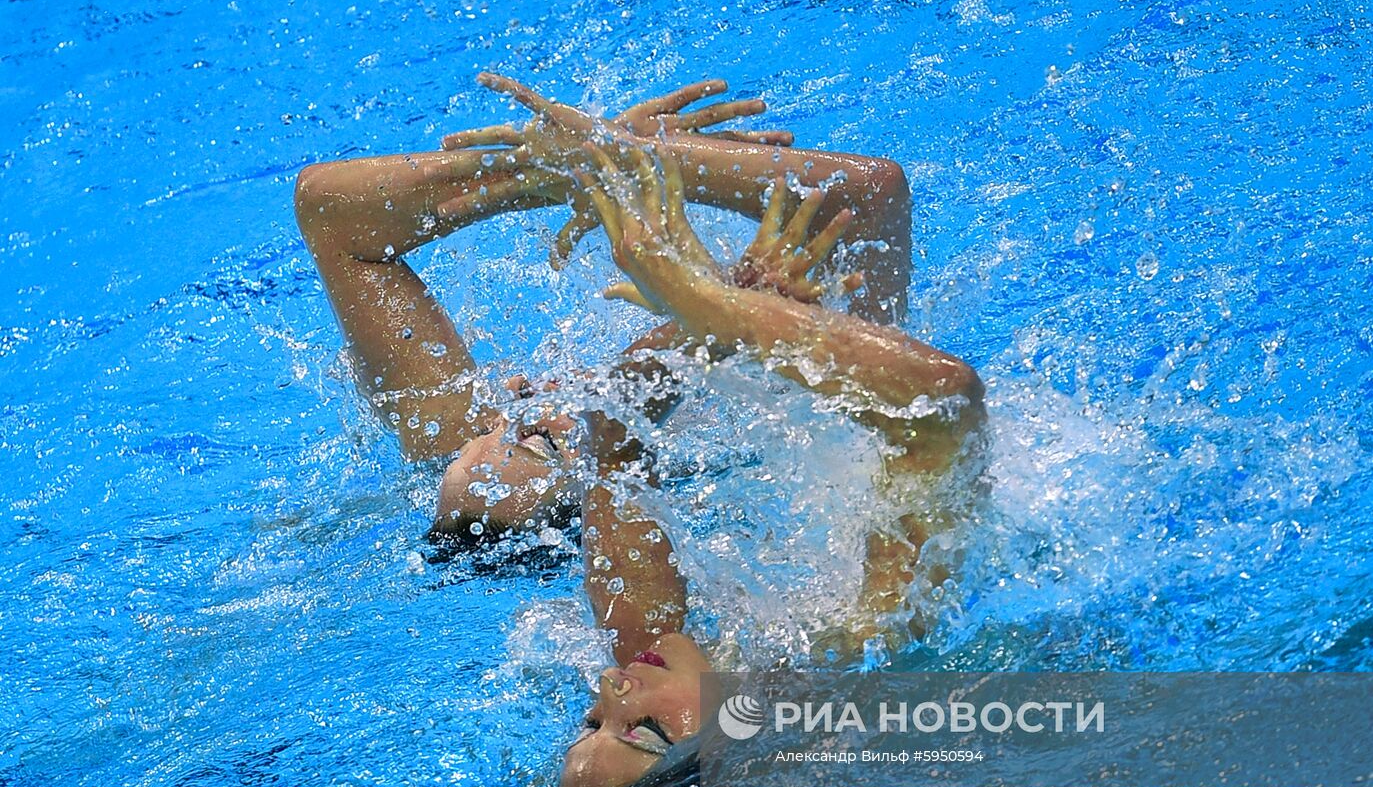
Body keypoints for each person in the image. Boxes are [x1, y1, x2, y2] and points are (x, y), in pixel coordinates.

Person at [459, 75, 986, 787]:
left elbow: (617, 435)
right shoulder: (862, 649)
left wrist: (715, 321)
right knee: (864, 200)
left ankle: (620, 157)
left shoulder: (643, 639)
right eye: (640, 729)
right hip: (907, 429)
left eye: (589, 722)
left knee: (861, 201)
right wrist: (713, 304)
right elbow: (946, 404)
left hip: (811, 407)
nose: (611, 691)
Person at [293, 78, 914, 546]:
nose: (520, 396)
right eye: (538, 440)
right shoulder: (783, 434)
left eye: (492, 425)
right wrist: (647, 160)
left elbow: (329, 211)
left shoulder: (458, 439)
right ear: (607, 478)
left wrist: (569, 168)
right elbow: (869, 196)